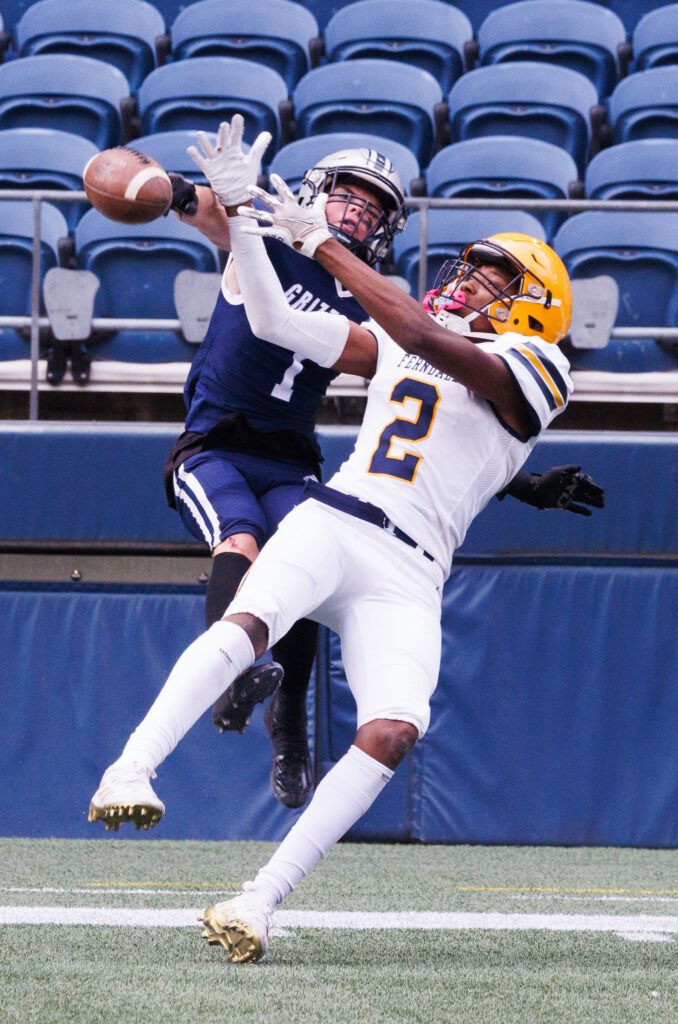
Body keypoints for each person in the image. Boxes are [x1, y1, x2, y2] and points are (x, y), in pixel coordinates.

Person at [89, 119, 594, 963]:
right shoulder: (402, 332)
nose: (467, 281)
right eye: (467, 267)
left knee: (397, 726)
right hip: (337, 515)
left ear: (536, 302)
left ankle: (260, 898)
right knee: (245, 623)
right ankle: (130, 770)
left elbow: (433, 344)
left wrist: (321, 239)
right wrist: (248, 221)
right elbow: (282, 322)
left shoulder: (540, 365)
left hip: (410, 571)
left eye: (491, 276)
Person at [164, 122, 603, 810]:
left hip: (291, 453)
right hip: (218, 439)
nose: (358, 213)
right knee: (245, 539)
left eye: (374, 209)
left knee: (302, 559)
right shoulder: (276, 248)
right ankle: (231, 682)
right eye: (350, 199)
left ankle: (291, 736)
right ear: (317, 192)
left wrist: (520, 483)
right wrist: (159, 188)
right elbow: (202, 221)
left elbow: (431, 415)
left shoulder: (378, 295)